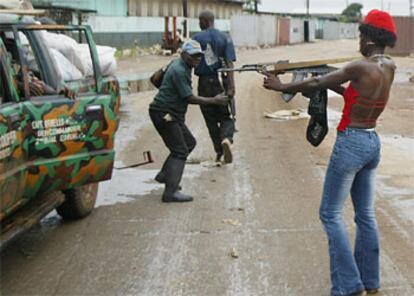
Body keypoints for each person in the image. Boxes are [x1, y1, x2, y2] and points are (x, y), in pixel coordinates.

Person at [262, 10, 397, 296]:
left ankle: (349, 286)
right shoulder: (389, 67)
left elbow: (314, 85)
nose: (359, 40)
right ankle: (370, 284)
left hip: (351, 142)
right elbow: (355, 93)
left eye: (361, 35)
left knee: (330, 214)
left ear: (371, 39)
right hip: (372, 142)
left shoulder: (361, 66)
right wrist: (327, 76)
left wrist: (282, 85)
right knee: (365, 215)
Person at [149, 40, 229, 203]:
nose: (197, 60)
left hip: (169, 113)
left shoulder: (177, 64)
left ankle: (165, 175)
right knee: (180, 151)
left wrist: (167, 89)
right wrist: (214, 100)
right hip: (165, 114)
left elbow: (154, 78)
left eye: (199, 57)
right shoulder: (179, 70)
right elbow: (189, 98)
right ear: (183, 55)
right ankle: (170, 192)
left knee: (189, 142)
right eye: (193, 57)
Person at [193, 10, 236, 163]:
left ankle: (219, 151)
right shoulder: (225, 38)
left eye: (199, 21)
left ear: (205, 21)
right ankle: (226, 139)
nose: (198, 24)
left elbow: (188, 60)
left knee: (210, 120)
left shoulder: (196, 38)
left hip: (203, 82)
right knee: (226, 117)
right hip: (220, 81)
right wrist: (231, 87)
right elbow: (230, 63)